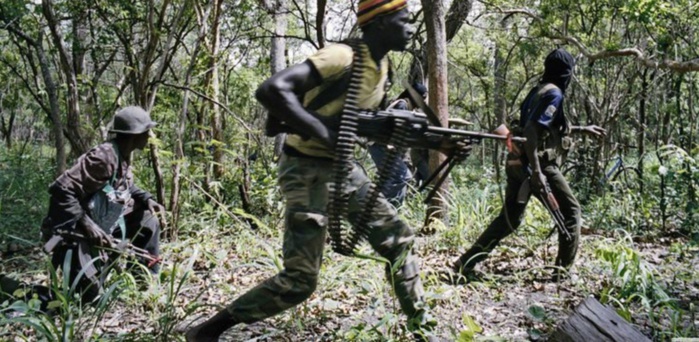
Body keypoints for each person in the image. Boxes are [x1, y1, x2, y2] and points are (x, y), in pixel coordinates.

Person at [186, 1, 438, 341]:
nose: (410, 28)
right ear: (379, 24)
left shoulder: (382, 68)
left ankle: (423, 329)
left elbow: (361, 123)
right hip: (305, 169)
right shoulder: (341, 57)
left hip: (343, 169)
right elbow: (271, 89)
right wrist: (325, 132)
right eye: (403, 21)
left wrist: (434, 140)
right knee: (300, 281)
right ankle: (208, 330)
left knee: (399, 239)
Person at [451, 49, 606, 281]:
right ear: (566, 73)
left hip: (517, 162)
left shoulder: (538, 90)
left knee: (510, 219)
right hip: (538, 164)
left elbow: (545, 126)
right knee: (571, 212)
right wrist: (536, 172)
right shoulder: (554, 94)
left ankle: (466, 262)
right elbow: (533, 130)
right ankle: (562, 273)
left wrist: (584, 129)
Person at [40, 106, 164, 302]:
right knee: (88, 297)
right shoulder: (104, 157)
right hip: (76, 232)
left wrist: (146, 198)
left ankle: (144, 283)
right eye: (146, 131)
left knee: (148, 220)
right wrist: (88, 226)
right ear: (135, 135)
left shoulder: (121, 156)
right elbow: (61, 189)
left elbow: (124, 186)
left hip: (103, 223)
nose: (149, 135)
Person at [367, 82, 427, 207]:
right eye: (422, 98)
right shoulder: (402, 105)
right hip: (381, 146)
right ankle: (383, 210)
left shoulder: (404, 105)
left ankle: (386, 210)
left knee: (392, 179)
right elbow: (398, 128)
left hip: (381, 146)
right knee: (402, 176)